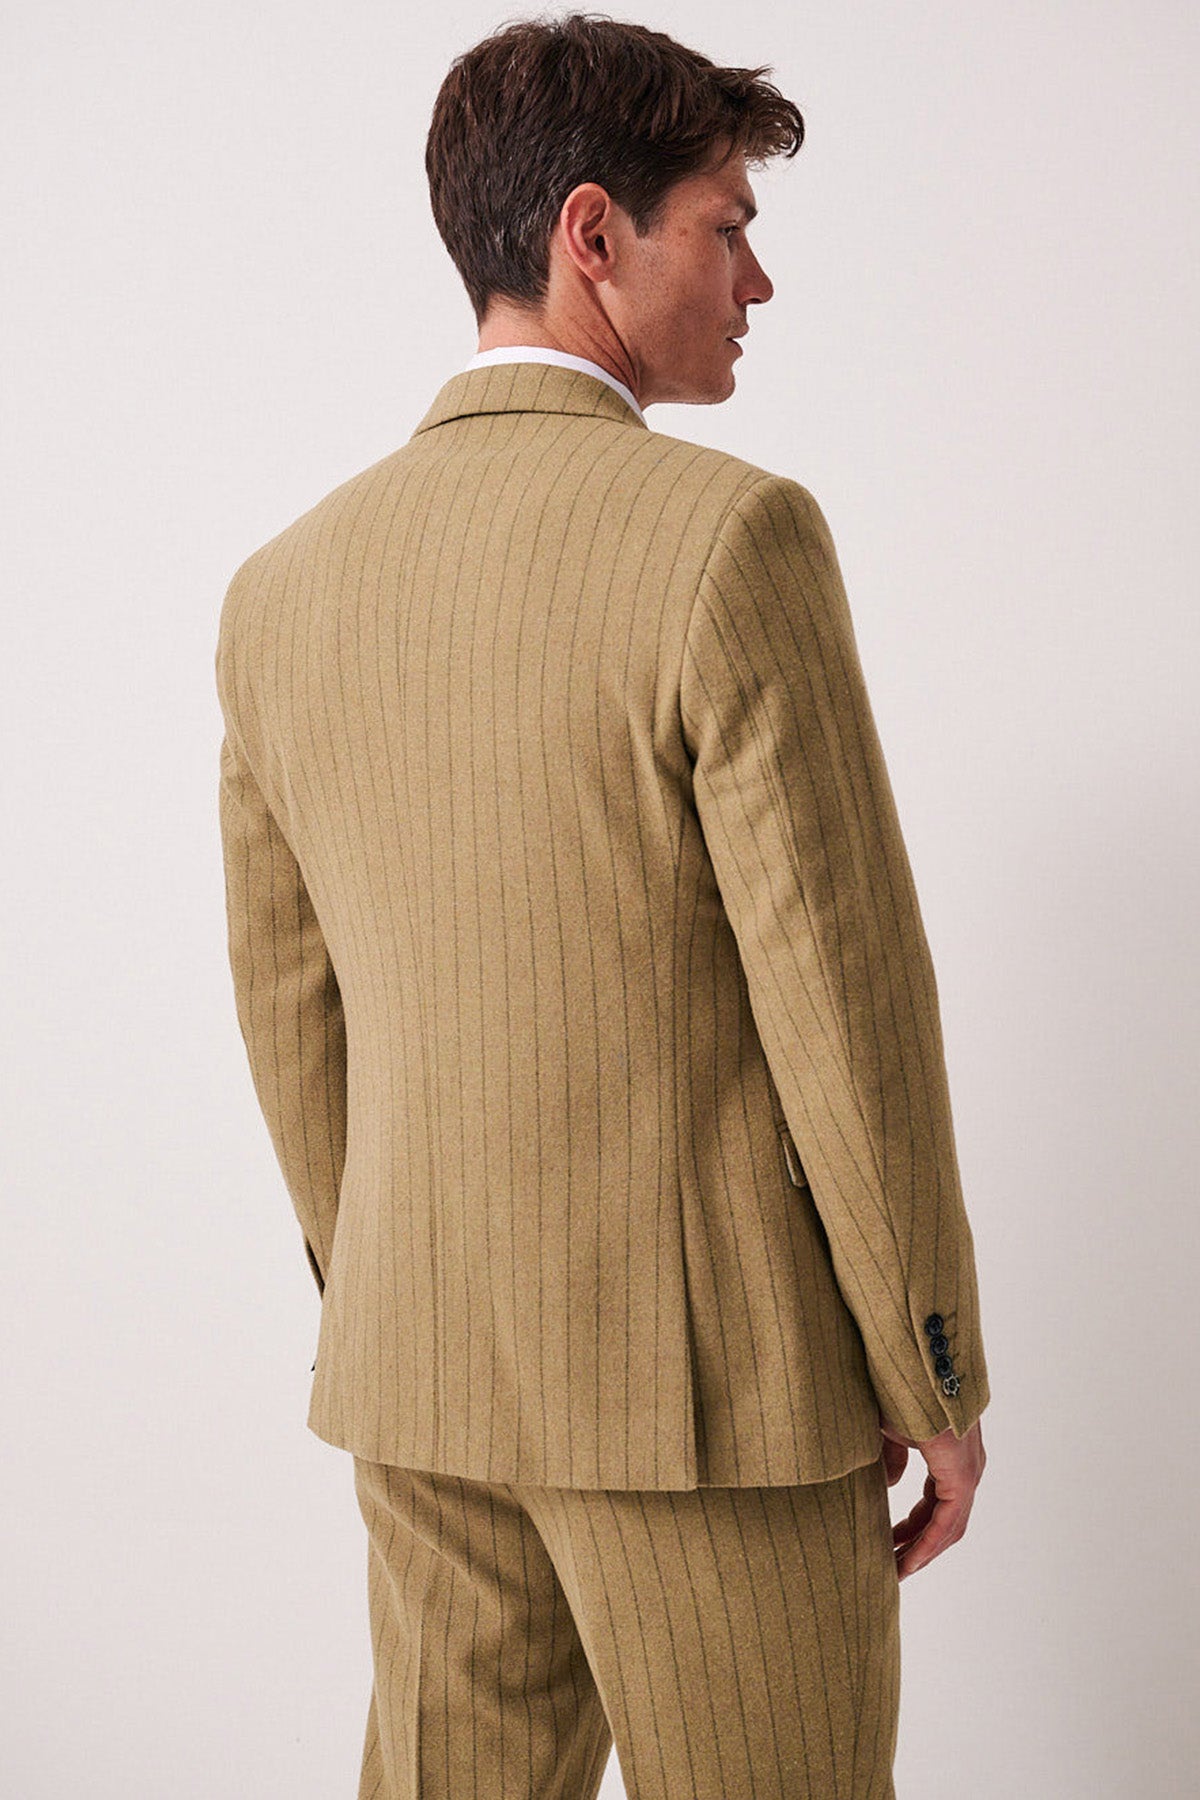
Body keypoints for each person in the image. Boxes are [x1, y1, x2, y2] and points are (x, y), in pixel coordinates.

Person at [215, 14, 989, 1797]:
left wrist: (400, 1291)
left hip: (422, 1378)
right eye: (726, 227)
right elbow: (843, 997)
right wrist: (929, 1367)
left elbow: (289, 1012)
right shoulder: (730, 537)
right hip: (710, 1406)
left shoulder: (283, 590)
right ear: (591, 233)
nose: (757, 280)